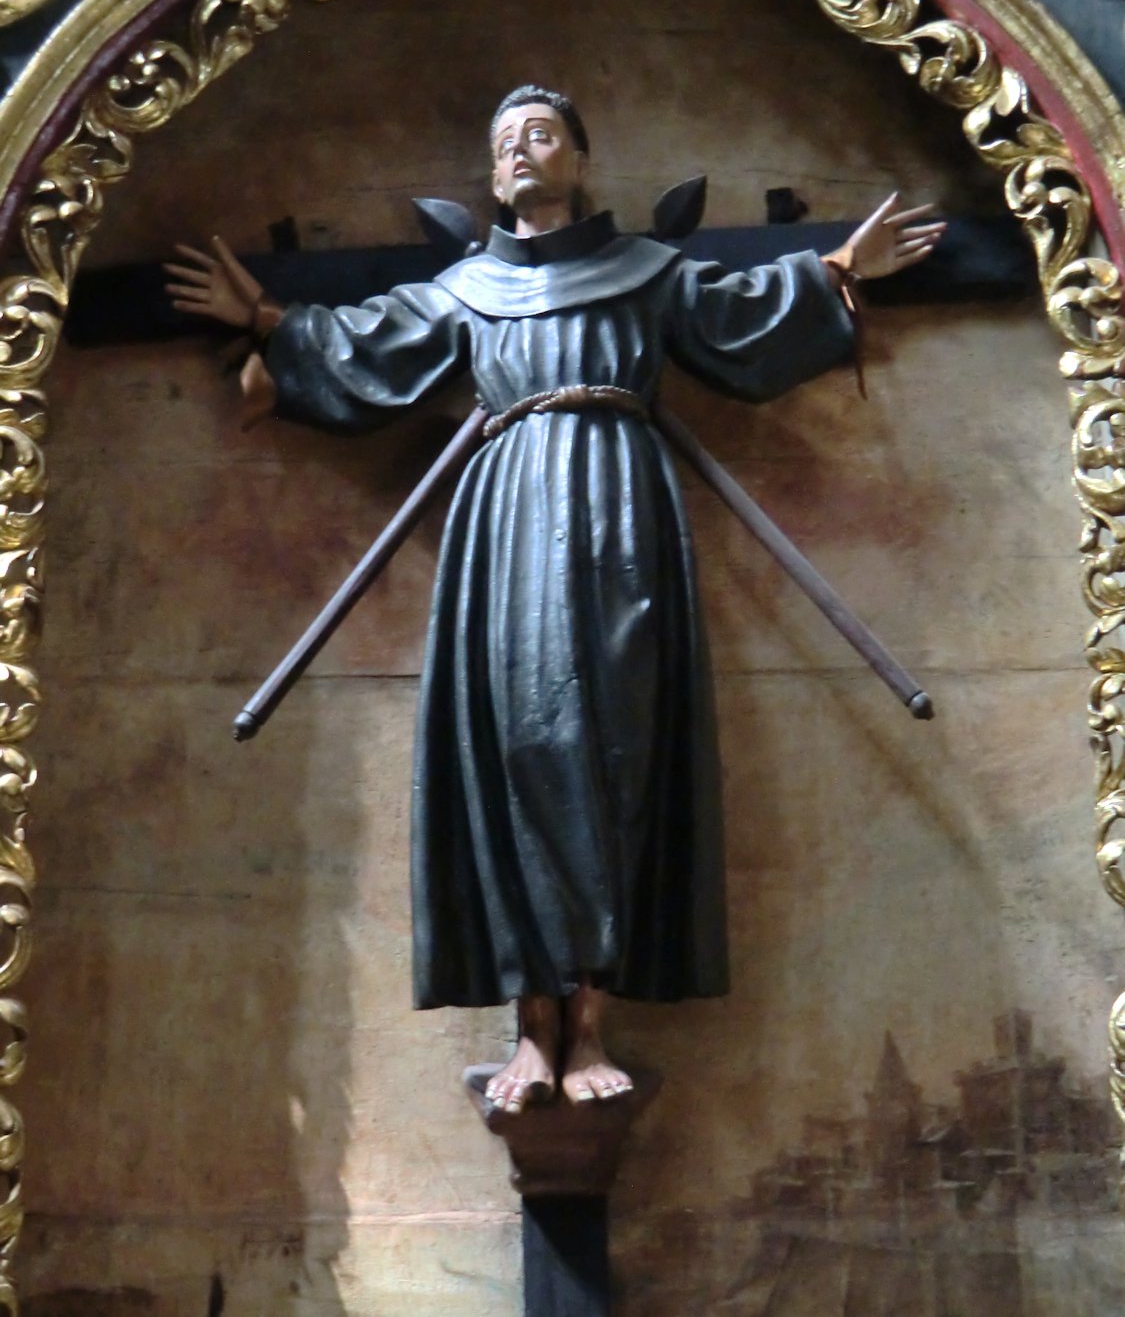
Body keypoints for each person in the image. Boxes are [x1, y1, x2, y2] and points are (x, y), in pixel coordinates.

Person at [164, 86, 944, 1113]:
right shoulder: (468, 289)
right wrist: (267, 320)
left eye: (541, 135)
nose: (522, 153)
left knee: (615, 745)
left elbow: (738, 314)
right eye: (504, 144)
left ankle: (590, 1023)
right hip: (508, 518)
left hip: (623, 511)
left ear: (579, 156)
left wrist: (840, 271)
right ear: (492, 177)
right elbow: (367, 346)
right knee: (516, 745)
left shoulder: (646, 274)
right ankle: (531, 1030)